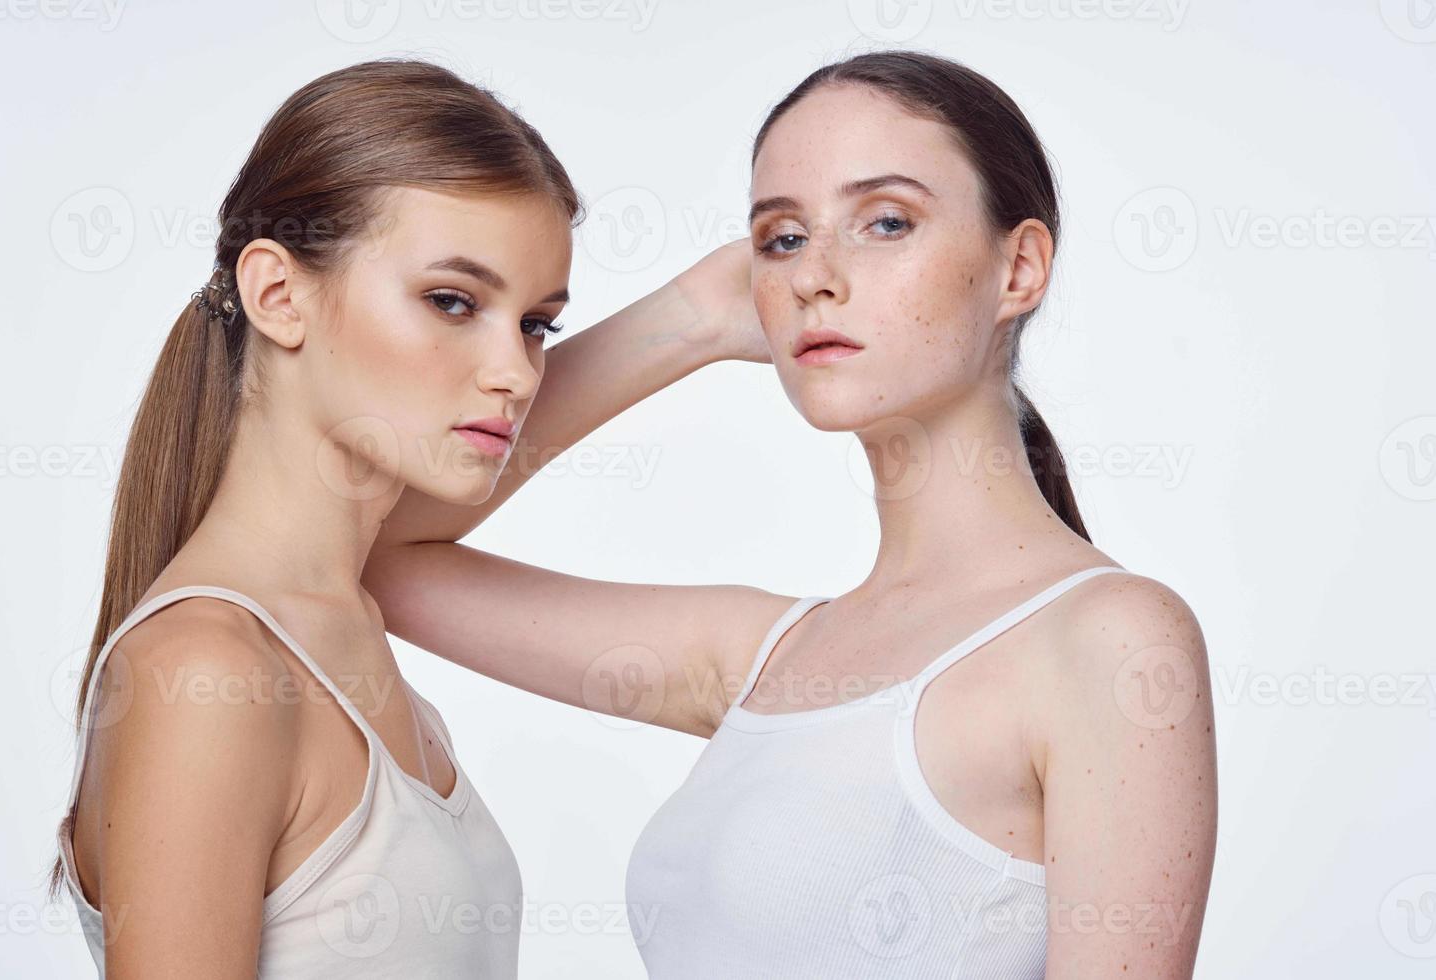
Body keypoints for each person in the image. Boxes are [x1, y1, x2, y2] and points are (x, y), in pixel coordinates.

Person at [362, 51, 1217, 978]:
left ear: (1019, 266)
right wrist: (685, 320)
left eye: (886, 222)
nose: (816, 275)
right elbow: (376, 549)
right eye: (780, 239)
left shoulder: (1110, 640)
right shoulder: (768, 664)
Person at [49, 58, 756, 977]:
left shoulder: (340, 612)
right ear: (277, 295)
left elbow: (400, 536)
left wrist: (699, 318)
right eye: (451, 302)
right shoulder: (208, 673)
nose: (515, 373)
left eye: (536, 323)